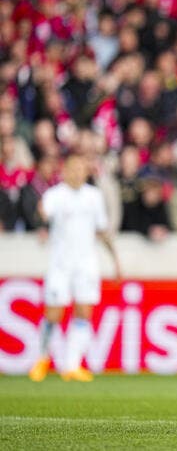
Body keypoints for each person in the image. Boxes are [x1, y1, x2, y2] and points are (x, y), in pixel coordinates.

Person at [28, 154, 122, 382]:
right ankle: (42, 359)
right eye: (74, 169)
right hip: (60, 264)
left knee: (83, 312)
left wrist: (115, 260)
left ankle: (72, 365)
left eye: (82, 169)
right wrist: (40, 216)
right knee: (54, 313)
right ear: (65, 171)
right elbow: (41, 214)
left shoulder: (94, 196)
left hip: (86, 264)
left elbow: (101, 231)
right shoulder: (54, 195)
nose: (78, 173)